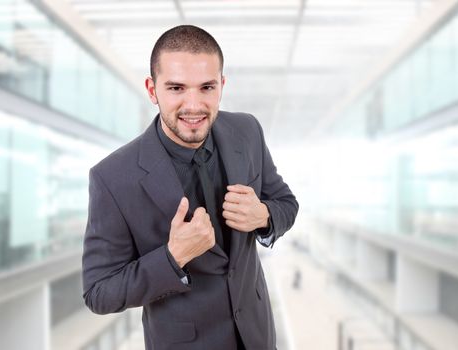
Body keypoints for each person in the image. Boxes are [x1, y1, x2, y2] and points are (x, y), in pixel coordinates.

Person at [82, 25, 298, 350]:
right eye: (177, 88)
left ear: (221, 86)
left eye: (207, 87)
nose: (194, 105)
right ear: (152, 90)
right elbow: (98, 292)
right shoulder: (112, 178)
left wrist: (264, 216)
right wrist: (172, 258)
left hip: (257, 334)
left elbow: (286, 202)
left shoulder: (247, 131)